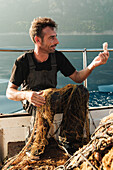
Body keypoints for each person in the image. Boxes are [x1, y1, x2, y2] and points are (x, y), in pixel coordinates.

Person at [6, 17, 109, 155]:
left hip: (53, 98)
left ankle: (69, 141)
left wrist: (93, 65)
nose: (57, 42)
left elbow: (78, 78)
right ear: (37, 40)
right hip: (34, 102)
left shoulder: (57, 57)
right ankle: (36, 142)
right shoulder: (23, 61)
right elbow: (10, 92)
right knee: (48, 98)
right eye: (51, 38)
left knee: (80, 91)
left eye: (56, 37)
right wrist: (27, 95)